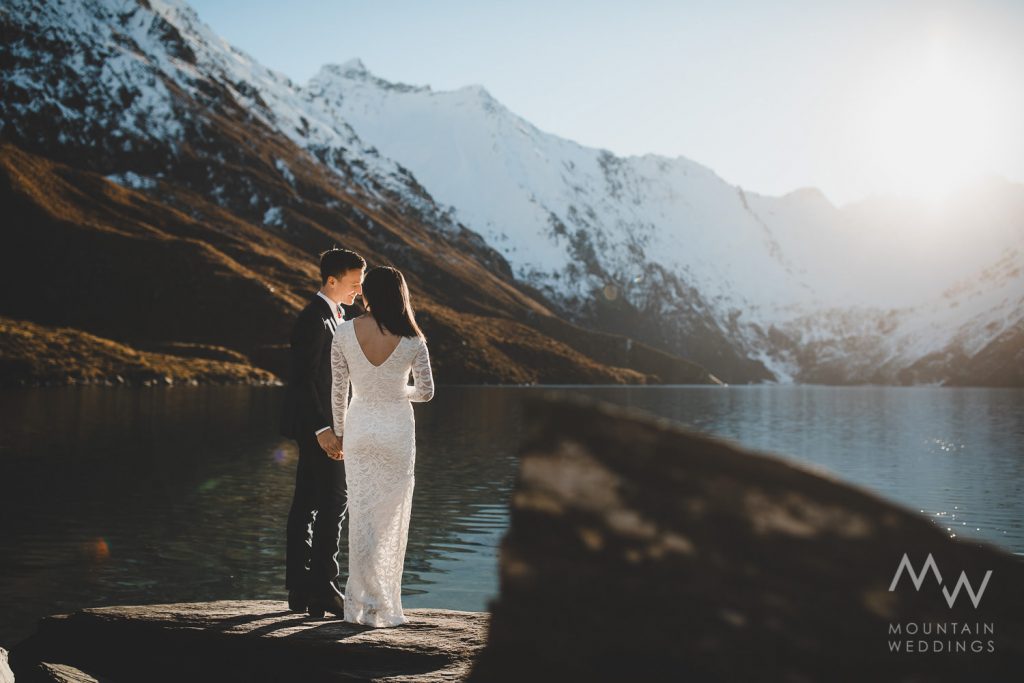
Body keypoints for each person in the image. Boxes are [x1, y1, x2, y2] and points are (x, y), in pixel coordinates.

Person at [330, 265, 434, 627]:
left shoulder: (343, 332)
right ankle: (383, 605)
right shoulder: (413, 339)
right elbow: (426, 392)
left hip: (358, 429)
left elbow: (339, 391)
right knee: (390, 518)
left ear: (367, 294)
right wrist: (396, 391)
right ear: (401, 295)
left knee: (361, 515)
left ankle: (357, 605)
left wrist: (340, 434)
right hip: (396, 431)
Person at [280, 247, 366, 619]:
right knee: (334, 499)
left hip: (322, 426)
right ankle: (323, 587)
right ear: (332, 280)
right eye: (353, 283)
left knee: (308, 502)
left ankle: (301, 587)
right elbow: (301, 381)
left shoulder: (336, 317)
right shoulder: (313, 320)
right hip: (319, 428)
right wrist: (322, 430)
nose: (357, 291)